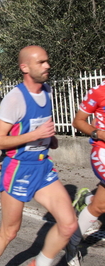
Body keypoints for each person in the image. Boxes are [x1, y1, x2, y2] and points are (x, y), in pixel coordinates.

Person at [0, 46, 77, 266]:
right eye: (41, 62)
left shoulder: (48, 90)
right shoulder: (15, 99)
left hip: (43, 167)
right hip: (18, 169)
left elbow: (40, 126)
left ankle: (40, 263)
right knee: (10, 231)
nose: (47, 66)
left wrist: (48, 139)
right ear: (24, 67)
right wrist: (35, 134)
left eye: (47, 61)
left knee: (69, 224)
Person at [64, 80, 105, 266]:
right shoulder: (98, 91)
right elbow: (78, 121)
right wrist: (98, 133)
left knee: (99, 207)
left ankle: (87, 201)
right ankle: (72, 247)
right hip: (102, 150)